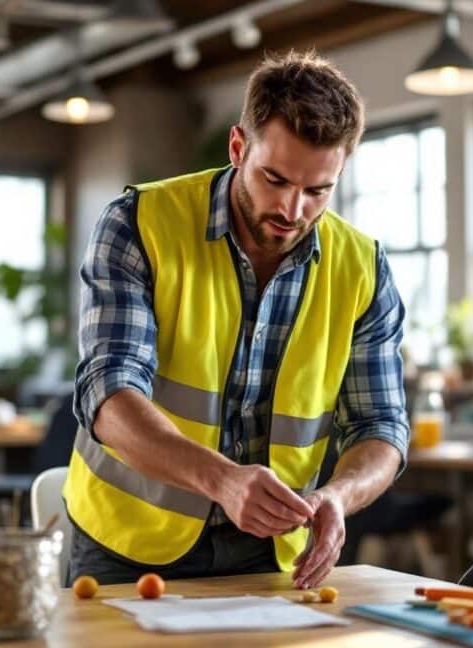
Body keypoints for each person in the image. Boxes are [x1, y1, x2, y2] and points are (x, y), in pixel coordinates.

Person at [65, 50, 408, 589]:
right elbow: (109, 394)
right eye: (275, 179)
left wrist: (337, 497)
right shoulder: (140, 225)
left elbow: (381, 426)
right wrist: (223, 481)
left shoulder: (363, 266)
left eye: (318, 190)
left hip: (274, 554)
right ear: (237, 147)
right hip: (127, 546)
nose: (293, 210)